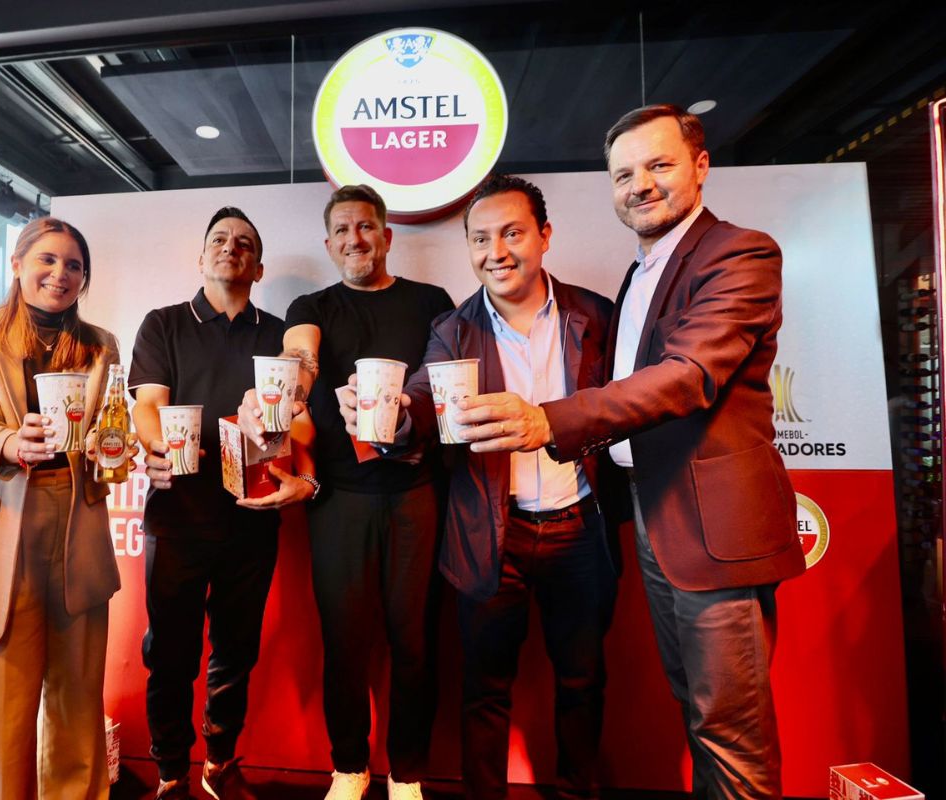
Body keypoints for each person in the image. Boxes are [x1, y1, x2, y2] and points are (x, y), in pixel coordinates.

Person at [456, 107, 806, 798]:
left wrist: (544, 421)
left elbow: (686, 376)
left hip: (715, 530)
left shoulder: (740, 252)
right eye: (623, 174)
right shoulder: (641, 272)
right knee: (698, 712)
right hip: (655, 518)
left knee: (731, 730)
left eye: (658, 164)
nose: (639, 184)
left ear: (700, 166)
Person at [339, 174, 623, 800]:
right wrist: (381, 416)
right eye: (480, 239)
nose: (496, 251)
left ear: (544, 236)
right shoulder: (454, 329)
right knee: (485, 689)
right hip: (491, 534)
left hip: (580, 527)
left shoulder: (596, 316)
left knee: (583, 680)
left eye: (512, 233)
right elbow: (420, 397)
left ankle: (579, 792)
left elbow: (627, 413)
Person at [240, 185, 454, 800]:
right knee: (345, 638)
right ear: (330, 243)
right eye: (341, 230)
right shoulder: (313, 304)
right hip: (339, 497)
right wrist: (291, 390)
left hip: (416, 490)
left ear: (385, 236)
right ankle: (350, 766)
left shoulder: (431, 302)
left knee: (414, 639)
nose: (355, 239)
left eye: (366, 227)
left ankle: (408, 770)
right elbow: (299, 354)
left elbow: (446, 382)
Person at [0, 217, 132, 799]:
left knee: (77, 697)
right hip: (0, 524)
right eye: (47, 259)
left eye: (74, 265)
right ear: (17, 263)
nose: (60, 273)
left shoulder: (100, 345)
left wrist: (113, 448)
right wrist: (8, 443)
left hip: (77, 526)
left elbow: (110, 433)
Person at [129, 207, 317, 800]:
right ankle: (168, 772)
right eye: (218, 239)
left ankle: (219, 765)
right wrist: (160, 448)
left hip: (251, 515)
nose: (229, 248)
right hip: (177, 515)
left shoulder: (276, 334)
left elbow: (302, 417)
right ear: (201, 256)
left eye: (243, 243)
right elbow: (146, 406)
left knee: (235, 651)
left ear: (257, 268)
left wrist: (298, 458)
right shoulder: (163, 324)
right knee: (171, 653)